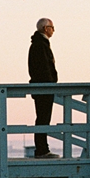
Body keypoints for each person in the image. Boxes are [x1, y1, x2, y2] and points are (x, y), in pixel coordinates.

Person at [28, 18, 58, 159]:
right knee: (43, 118)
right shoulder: (41, 45)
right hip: (44, 88)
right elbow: (44, 68)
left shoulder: (38, 44)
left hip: (41, 87)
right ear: (46, 28)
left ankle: (42, 149)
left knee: (42, 118)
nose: (53, 30)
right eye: (52, 27)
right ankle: (42, 150)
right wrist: (51, 83)